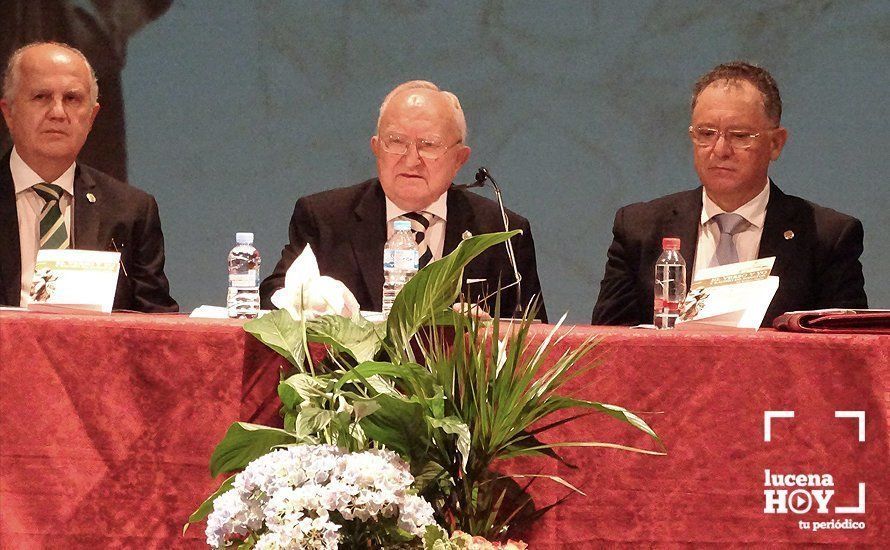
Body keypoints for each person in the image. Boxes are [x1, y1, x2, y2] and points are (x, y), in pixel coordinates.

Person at [591, 61, 866, 326]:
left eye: (739, 135)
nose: (720, 149)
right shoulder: (640, 229)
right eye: (706, 133)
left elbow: (845, 355)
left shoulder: (826, 238)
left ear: (775, 144)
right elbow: (606, 350)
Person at [260, 80, 547, 321]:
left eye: (429, 145)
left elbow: (533, 334)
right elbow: (272, 297)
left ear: (460, 159)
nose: (411, 160)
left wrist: (482, 331)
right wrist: (318, 301)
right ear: (376, 148)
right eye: (396, 142)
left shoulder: (502, 231)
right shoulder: (325, 218)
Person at [0, 42, 177, 312]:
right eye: (41, 97)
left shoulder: (131, 211)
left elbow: (156, 323)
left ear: (92, 116)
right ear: (9, 112)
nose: (57, 113)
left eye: (72, 99)